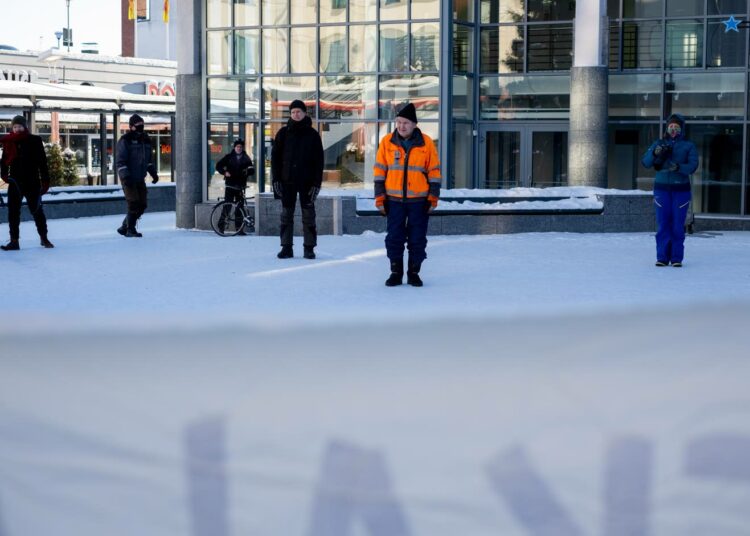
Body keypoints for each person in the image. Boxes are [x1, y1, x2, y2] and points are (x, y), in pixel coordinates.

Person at [373, 102, 441, 287]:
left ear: (414, 125)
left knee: (417, 238)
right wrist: (380, 197)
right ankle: (395, 272)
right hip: (393, 201)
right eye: (399, 122)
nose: (401, 126)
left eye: (406, 123)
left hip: (419, 202)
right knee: (394, 237)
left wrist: (433, 197)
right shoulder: (387, 142)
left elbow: (434, 172)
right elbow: (379, 171)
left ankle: (414, 273)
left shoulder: (426, 143)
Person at [642, 114, 698, 267]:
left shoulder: (688, 145)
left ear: (682, 129)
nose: (673, 130)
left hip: (681, 191)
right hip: (661, 190)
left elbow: (693, 166)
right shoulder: (658, 143)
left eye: (677, 127)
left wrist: (679, 168)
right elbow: (646, 162)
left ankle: (676, 258)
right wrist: (655, 153)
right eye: (671, 127)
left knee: (677, 225)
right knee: (663, 224)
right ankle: (662, 257)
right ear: (667, 128)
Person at [271, 99, 324, 259]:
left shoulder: (313, 135)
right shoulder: (283, 133)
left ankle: (309, 248)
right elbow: (275, 159)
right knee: (286, 215)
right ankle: (286, 247)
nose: (296, 114)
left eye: (298, 111)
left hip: (307, 182)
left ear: (304, 113)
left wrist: (317, 183)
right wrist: (276, 180)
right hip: (287, 181)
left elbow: (319, 161)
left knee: (309, 216)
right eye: (293, 112)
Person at [0, 115, 53, 251]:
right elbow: (4, 161)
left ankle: (44, 237)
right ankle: (14, 241)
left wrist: (45, 180)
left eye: (20, 126)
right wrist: (4, 175)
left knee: (37, 210)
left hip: (32, 181)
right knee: (13, 212)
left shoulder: (34, 140)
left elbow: (42, 162)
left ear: (25, 127)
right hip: (15, 182)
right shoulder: (8, 141)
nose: (17, 129)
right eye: (15, 127)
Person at [115, 114, 159, 238]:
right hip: (129, 178)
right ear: (131, 126)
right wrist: (125, 176)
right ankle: (130, 229)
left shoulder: (146, 140)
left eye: (142, 125)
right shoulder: (125, 140)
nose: (141, 127)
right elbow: (120, 161)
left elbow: (149, 160)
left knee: (142, 204)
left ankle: (125, 226)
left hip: (140, 178)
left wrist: (153, 173)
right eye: (138, 125)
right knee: (133, 203)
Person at [215, 139, 255, 234]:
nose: (239, 148)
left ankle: (239, 229)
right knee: (227, 206)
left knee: (239, 208)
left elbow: (252, 169)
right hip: (230, 185)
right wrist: (224, 172)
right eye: (237, 147)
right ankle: (221, 227)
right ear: (234, 148)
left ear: (242, 148)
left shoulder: (246, 158)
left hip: (240, 186)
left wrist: (248, 171)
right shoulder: (229, 157)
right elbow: (218, 166)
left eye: (241, 147)